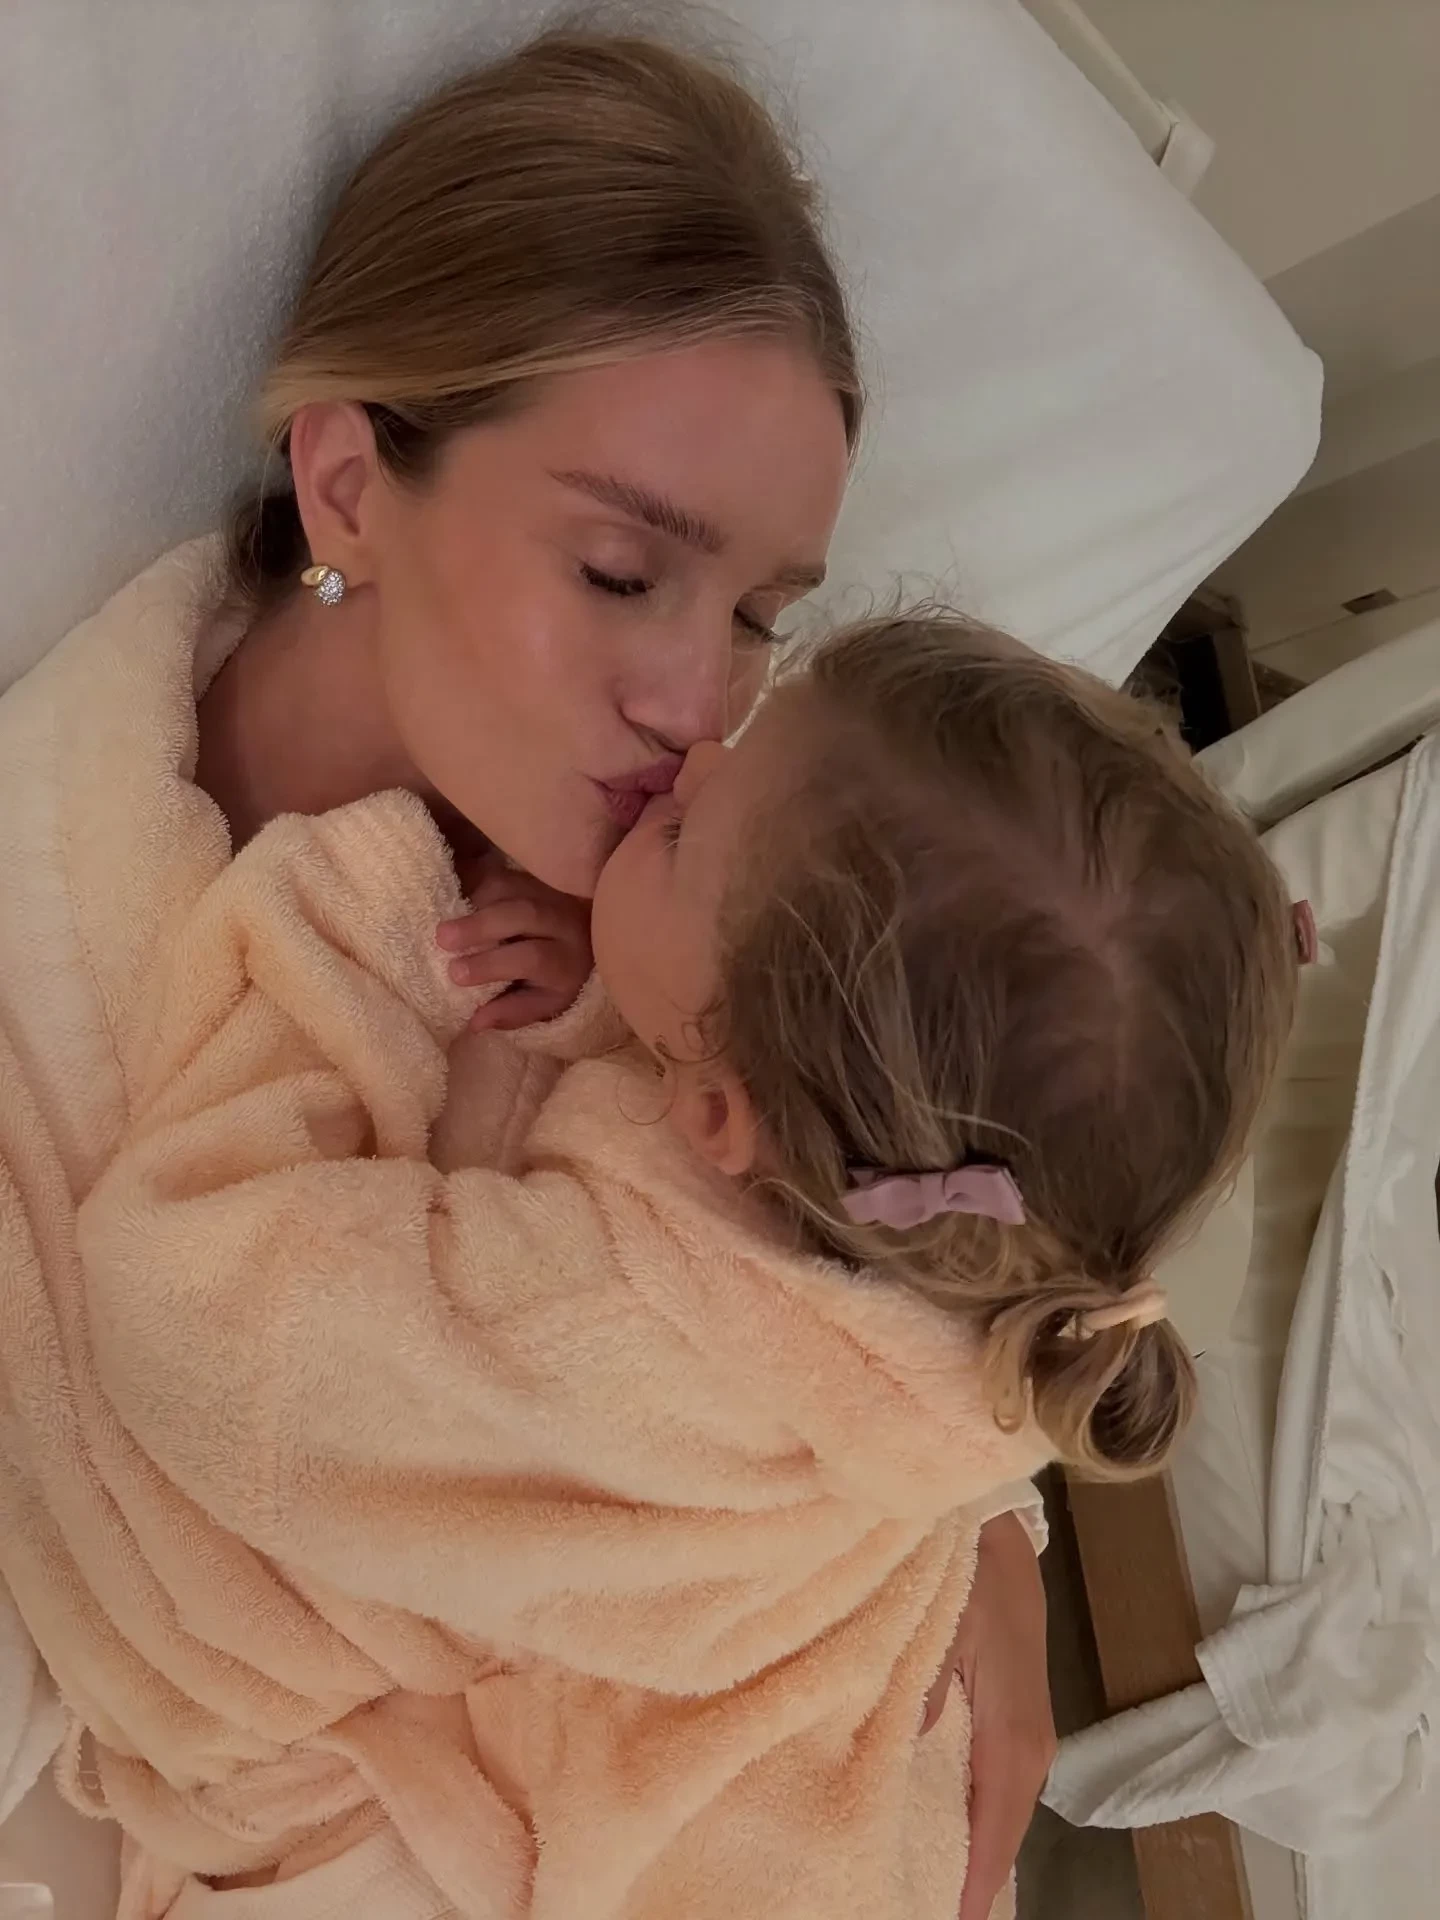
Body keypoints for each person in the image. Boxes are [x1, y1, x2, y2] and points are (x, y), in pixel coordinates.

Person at [0, 25, 1035, 1919]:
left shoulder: (713, 894)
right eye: (623, 571)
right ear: (346, 487)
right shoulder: (52, 886)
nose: (701, 703)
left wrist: (978, 1524)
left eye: (762, 613)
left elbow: (884, 1227)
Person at [71, 608, 1297, 1919]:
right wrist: (610, 978)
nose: (698, 753)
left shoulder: (613, 1334)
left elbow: (197, 1314)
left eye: (679, 836)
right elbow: (698, 1068)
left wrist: (366, 929)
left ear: (720, 1112)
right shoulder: (965, 1262)